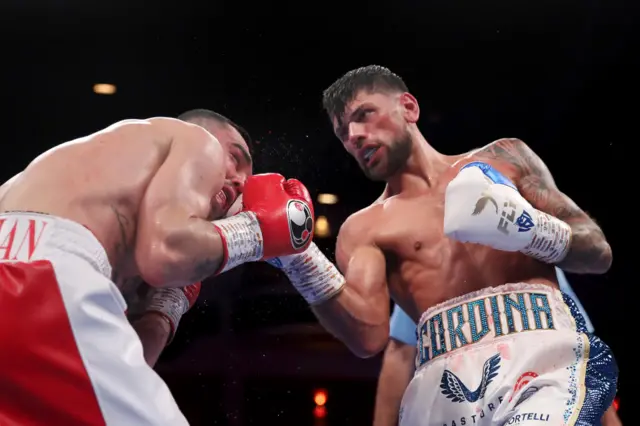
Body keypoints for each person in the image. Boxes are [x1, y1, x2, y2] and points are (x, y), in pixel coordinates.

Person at [266, 65, 617, 425]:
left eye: (364, 115)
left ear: (409, 108)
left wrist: (526, 227)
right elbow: (368, 338)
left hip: (543, 362)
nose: (354, 135)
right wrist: (300, 259)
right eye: (343, 132)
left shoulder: (505, 160)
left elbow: (598, 252)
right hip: (445, 389)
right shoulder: (365, 228)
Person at [0, 109, 315, 425]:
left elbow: (130, 368)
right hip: (41, 281)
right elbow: (168, 252)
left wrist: (165, 307)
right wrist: (256, 231)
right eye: (235, 157)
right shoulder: (194, 139)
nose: (241, 180)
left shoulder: (96, 200)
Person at [374, 268, 622, 426]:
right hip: (463, 412)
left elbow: (579, 355)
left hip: (538, 404)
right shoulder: (428, 271)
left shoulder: (533, 261)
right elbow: (400, 354)